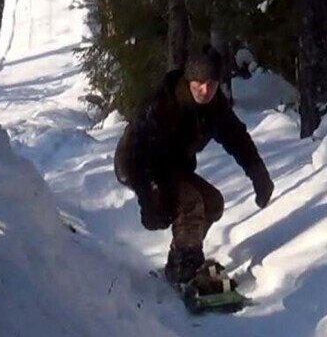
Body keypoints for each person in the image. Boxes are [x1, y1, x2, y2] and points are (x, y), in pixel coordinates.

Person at [114, 45, 273, 285]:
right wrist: (148, 197)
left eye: (212, 84)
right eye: (199, 82)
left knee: (213, 204)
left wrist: (259, 175)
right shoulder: (163, 104)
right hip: (138, 165)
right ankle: (184, 268)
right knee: (190, 204)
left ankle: (182, 255)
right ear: (188, 80)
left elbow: (237, 138)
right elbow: (137, 152)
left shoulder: (215, 107)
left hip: (174, 167)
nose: (205, 89)